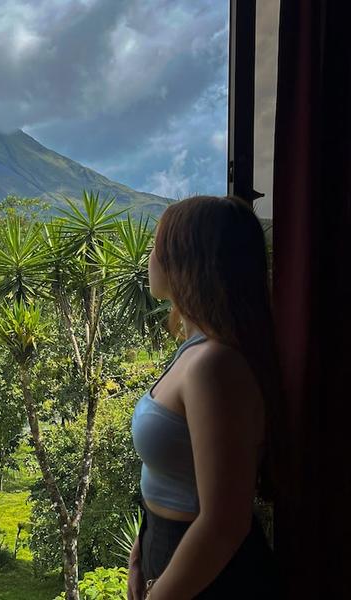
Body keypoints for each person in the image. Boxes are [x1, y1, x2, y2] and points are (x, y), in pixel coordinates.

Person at [127, 195, 281, 599]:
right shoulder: (197, 350)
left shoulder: (215, 367)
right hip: (174, 553)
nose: (149, 256)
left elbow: (224, 522)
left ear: (187, 260)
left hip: (211, 575)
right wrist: (142, 551)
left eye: (158, 245)